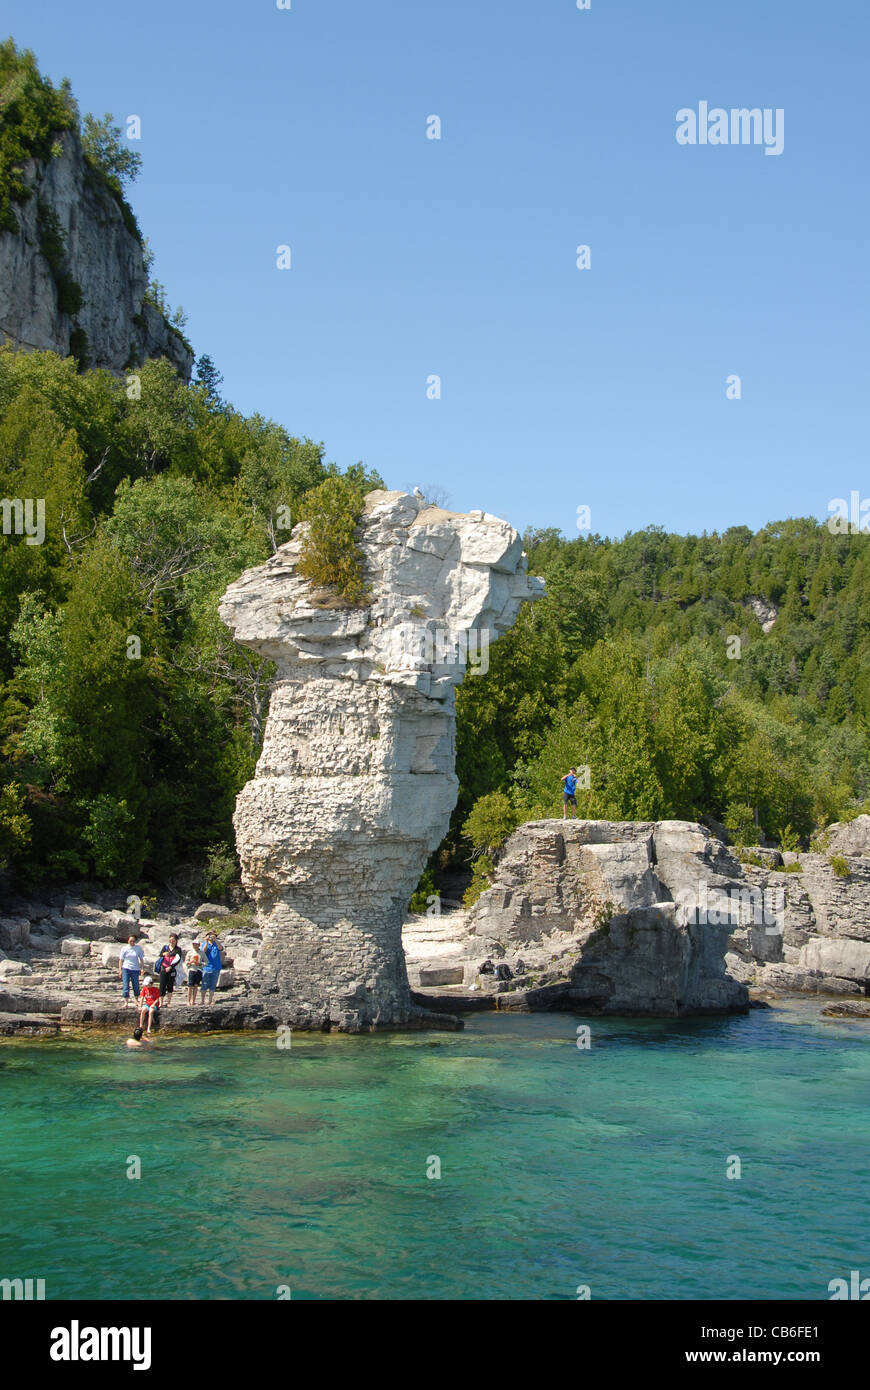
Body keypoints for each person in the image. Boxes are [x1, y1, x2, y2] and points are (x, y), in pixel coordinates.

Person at [157, 933, 183, 1009]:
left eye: (173, 940)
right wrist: (163, 954)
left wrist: (171, 967)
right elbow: (160, 955)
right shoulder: (165, 947)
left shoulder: (178, 949)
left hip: (172, 969)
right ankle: (161, 1002)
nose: (172, 941)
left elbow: (178, 959)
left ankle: (168, 1002)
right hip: (163, 968)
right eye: (170, 940)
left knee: (170, 985)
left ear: (176, 941)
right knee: (162, 985)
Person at [118, 934, 145, 1007]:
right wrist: (120, 970)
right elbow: (121, 960)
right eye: (130, 941)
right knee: (126, 985)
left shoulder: (138, 948)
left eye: (133, 941)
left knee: (136, 985)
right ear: (128, 941)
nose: (132, 942)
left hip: (135, 969)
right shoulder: (124, 948)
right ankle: (126, 1002)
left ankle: (136, 1000)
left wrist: (142, 968)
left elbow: (141, 959)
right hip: (126, 968)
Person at [201, 932, 222, 1005]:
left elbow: (221, 948)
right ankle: (202, 1000)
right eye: (209, 935)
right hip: (207, 967)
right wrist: (206, 941)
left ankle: (210, 1000)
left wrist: (215, 940)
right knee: (204, 984)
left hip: (216, 967)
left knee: (213, 984)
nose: (210, 937)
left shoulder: (216, 944)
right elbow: (203, 951)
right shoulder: (204, 944)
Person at [185, 940, 204, 1006]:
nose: (195, 946)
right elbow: (186, 962)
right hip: (192, 969)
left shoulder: (202, 953)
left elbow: (206, 962)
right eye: (194, 944)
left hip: (199, 970)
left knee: (196, 985)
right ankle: (188, 1001)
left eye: (196, 944)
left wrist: (200, 963)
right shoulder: (190, 952)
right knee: (190, 986)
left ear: (199, 945)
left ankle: (193, 1001)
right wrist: (190, 962)